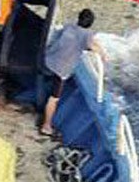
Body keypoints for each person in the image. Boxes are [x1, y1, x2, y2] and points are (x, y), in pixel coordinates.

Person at [40, 9, 106, 137]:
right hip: (60, 70)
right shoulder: (87, 36)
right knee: (54, 99)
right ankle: (46, 126)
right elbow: (92, 46)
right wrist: (103, 54)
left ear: (78, 19)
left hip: (47, 60)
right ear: (91, 24)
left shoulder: (69, 26)